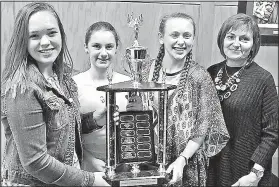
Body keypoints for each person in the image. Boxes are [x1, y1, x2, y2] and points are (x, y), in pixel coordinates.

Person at [0, 2, 109, 186]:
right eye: (34, 36)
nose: (45, 42)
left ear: (61, 35)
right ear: (22, 40)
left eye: (51, 33)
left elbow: (60, 132)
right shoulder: (22, 88)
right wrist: (90, 180)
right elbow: (35, 162)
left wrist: (94, 120)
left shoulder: (63, 76)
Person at [138, 12, 230, 186]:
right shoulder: (144, 71)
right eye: (174, 35)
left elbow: (203, 127)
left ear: (193, 39)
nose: (181, 41)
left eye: (187, 36)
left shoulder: (200, 76)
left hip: (186, 165)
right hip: (147, 162)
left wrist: (182, 158)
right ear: (161, 37)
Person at [207, 13, 278, 186]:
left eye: (244, 39)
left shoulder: (263, 79)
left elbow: (272, 133)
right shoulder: (211, 72)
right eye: (230, 37)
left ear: (253, 45)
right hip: (213, 167)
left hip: (246, 172)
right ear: (222, 40)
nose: (236, 43)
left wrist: (255, 174)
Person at [72, 21, 131, 172]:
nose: (103, 53)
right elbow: (67, 133)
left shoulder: (130, 83)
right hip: (86, 167)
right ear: (86, 47)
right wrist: (87, 159)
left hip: (124, 167)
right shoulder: (74, 85)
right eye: (97, 46)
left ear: (116, 48)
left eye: (109, 47)